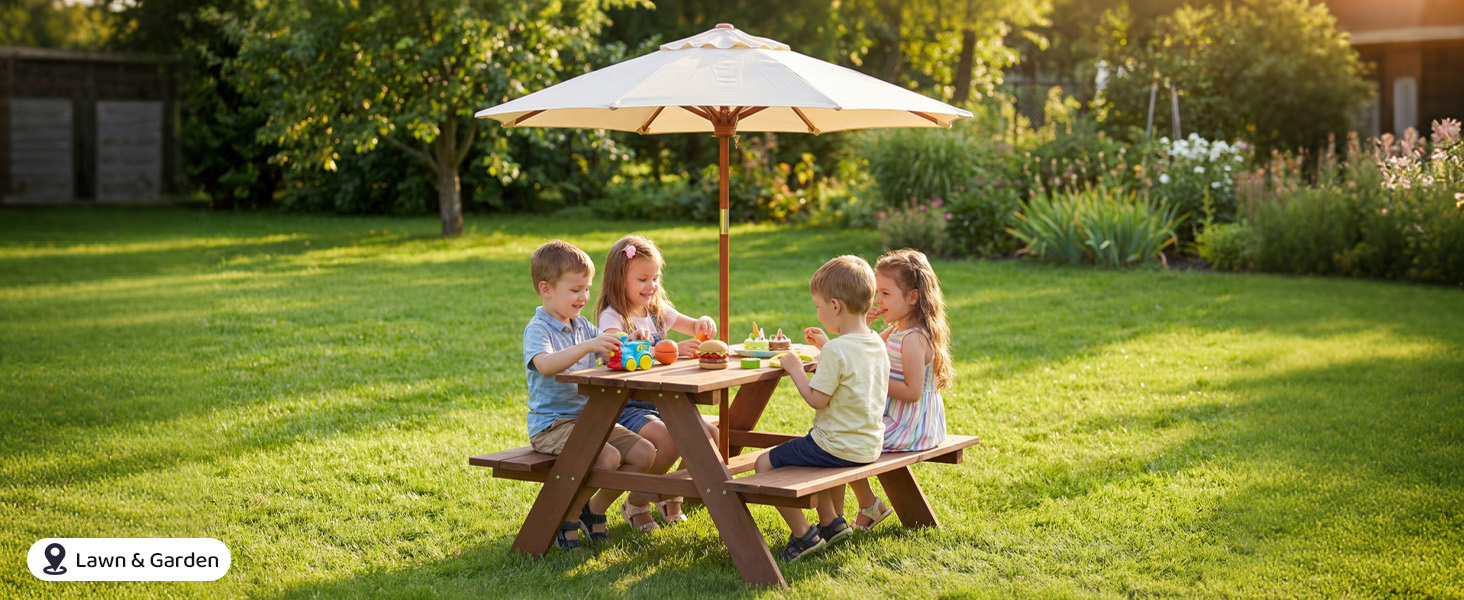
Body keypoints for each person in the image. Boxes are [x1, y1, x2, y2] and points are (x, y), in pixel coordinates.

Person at [522, 240, 656, 550]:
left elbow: (610, 338)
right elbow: (544, 365)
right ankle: (564, 517)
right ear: (546, 289)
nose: (584, 297)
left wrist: (631, 336)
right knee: (607, 457)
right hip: (552, 425)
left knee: (644, 453)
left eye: (587, 289)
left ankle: (591, 508)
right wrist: (585, 347)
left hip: (588, 421)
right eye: (575, 290)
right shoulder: (539, 329)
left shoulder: (581, 325)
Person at [806, 249, 952, 532]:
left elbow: (912, 392)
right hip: (900, 420)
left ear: (912, 297)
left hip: (912, 426)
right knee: (844, 435)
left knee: (842, 439)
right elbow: (859, 353)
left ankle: (840, 519)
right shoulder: (897, 329)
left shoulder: (911, 339)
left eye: (885, 294)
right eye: (876, 294)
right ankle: (863, 508)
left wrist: (872, 379)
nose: (877, 301)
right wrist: (842, 336)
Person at [754, 255, 889, 561]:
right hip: (868, 444)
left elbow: (817, 399)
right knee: (811, 447)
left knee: (763, 464)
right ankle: (832, 525)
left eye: (818, 306)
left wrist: (794, 368)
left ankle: (804, 536)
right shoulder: (873, 343)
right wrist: (826, 346)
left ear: (835, 306)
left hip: (837, 446)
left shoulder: (837, 351)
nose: (817, 311)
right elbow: (848, 363)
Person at [595, 234, 719, 529]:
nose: (651, 286)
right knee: (667, 439)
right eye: (642, 279)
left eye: (655, 278)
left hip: (662, 400)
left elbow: (693, 326)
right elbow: (618, 351)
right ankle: (638, 500)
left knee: (710, 436)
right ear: (618, 279)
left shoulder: (657, 312)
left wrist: (703, 323)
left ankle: (669, 492)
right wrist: (670, 353)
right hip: (628, 404)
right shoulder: (612, 317)